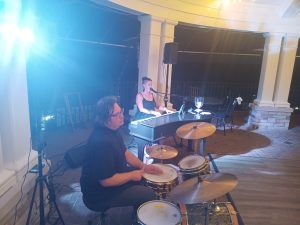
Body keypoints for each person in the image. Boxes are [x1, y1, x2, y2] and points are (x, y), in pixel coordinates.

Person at [80, 96, 162, 218]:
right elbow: (106, 181)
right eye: (117, 114)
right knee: (148, 195)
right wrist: (132, 175)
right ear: (105, 120)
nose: (121, 116)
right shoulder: (101, 142)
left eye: (121, 111)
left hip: (113, 175)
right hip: (98, 194)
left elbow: (124, 152)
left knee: (144, 177)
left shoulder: (113, 130)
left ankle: (137, 215)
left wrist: (143, 166)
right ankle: (140, 218)